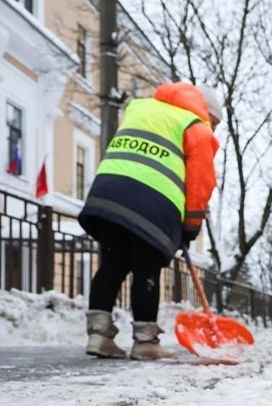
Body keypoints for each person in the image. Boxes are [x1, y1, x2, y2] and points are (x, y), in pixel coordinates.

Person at [79, 82, 221, 360]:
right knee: (147, 268)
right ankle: (145, 342)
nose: (213, 128)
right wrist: (192, 224)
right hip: (153, 202)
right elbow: (201, 181)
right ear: (207, 113)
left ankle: (98, 335)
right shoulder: (195, 126)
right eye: (214, 123)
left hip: (108, 192)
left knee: (112, 263)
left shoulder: (141, 108)